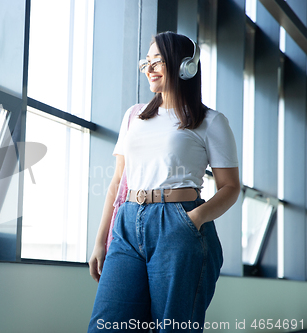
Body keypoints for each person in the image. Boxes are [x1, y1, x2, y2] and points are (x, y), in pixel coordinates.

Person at [87, 31, 241, 332]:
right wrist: (100, 240)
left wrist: (192, 220)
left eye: (158, 60)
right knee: (106, 326)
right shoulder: (134, 117)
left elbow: (231, 187)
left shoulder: (211, 121)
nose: (150, 68)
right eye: (146, 62)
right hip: (127, 224)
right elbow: (118, 182)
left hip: (178, 222)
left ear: (186, 66)